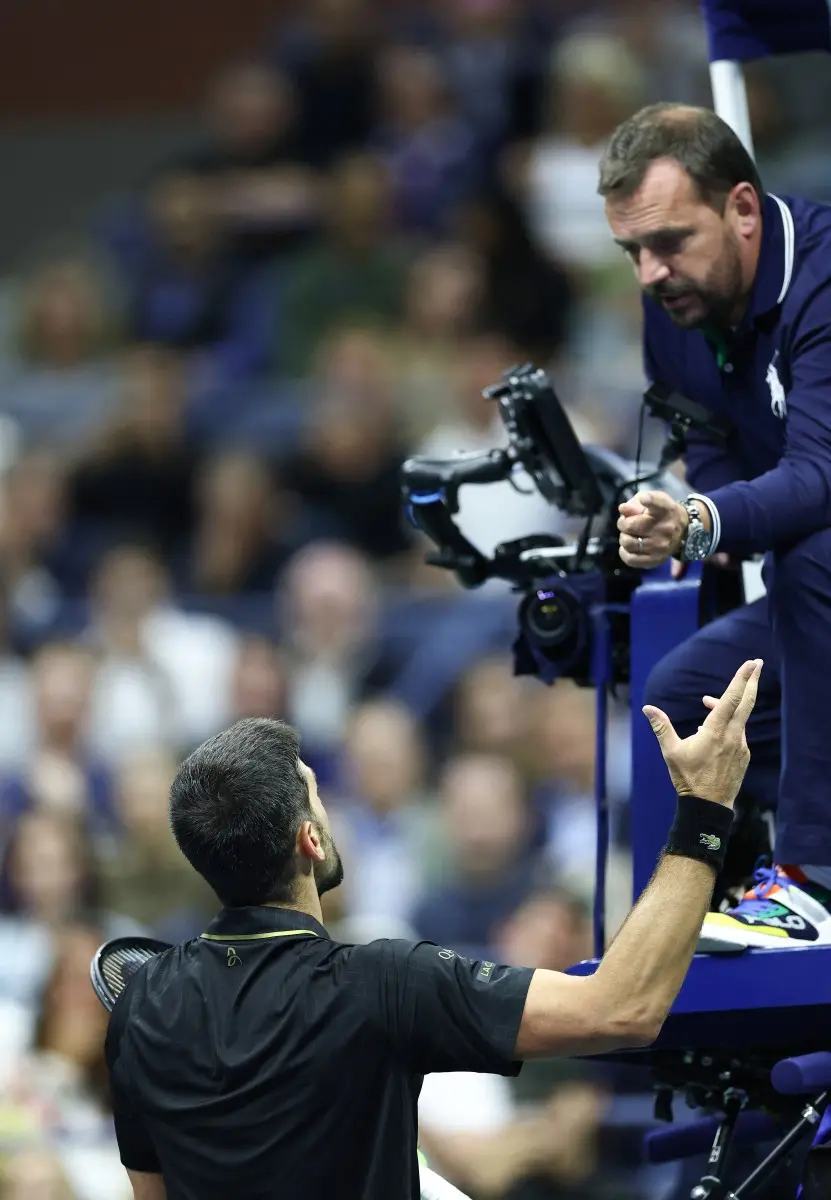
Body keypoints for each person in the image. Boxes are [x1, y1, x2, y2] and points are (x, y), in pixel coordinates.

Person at [103, 660, 760, 1200]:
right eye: (316, 796)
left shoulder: (140, 1006)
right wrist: (704, 811)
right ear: (310, 838)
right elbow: (624, 1008)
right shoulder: (380, 981)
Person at [602, 102, 831, 952]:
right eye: (631, 251)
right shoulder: (678, 312)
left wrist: (696, 521)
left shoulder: (822, 277)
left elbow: (819, 477)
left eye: (667, 242)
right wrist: (689, 514)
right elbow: (707, 446)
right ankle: (759, 885)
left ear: (740, 208)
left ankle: (813, 882)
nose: (649, 274)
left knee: (814, 552)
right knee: (682, 698)